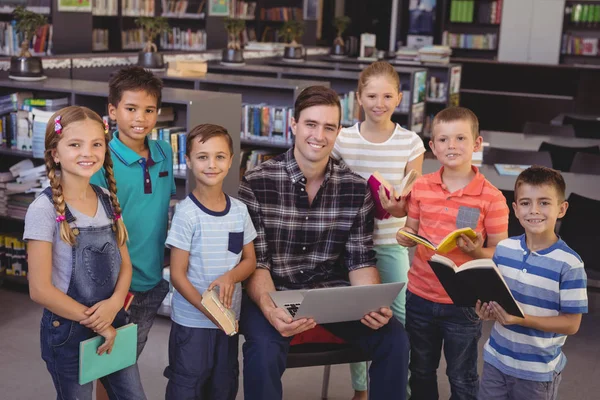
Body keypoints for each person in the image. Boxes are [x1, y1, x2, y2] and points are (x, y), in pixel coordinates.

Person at [238, 85, 410, 400]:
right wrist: (268, 306)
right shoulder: (256, 183)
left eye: (329, 127)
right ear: (293, 125)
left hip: (331, 295)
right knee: (263, 349)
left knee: (394, 338)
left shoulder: (355, 190)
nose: (319, 135)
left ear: (338, 132)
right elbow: (257, 264)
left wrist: (373, 302)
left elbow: (360, 261)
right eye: (311, 124)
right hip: (275, 294)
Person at [25, 106, 146, 400]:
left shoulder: (107, 200)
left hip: (114, 319)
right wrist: (98, 322)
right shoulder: (43, 210)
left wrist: (114, 305)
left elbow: (126, 266)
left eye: (96, 144)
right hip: (68, 331)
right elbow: (39, 290)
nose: (87, 152)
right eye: (75, 144)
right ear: (55, 152)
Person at [396, 106, 509, 400]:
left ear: (476, 144)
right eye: (443, 140)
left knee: (461, 376)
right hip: (420, 295)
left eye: (460, 138)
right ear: (433, 147)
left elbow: (501, 252)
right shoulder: (420, 186)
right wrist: (404, 237)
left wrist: (477, 251)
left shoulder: (492, 198)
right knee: (419, 370)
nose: (452, 146)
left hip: (464, 302)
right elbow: (411, 228)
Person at [332, 60, 425, 400]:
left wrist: (399, 206)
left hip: (389, 243)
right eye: (371, 95)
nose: (379, 103)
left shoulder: (411, 142)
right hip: (349, 246)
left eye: (387, 96)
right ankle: (361, 390)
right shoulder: (342, 140)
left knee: (398, 317)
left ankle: (403, 388)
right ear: (358, 98)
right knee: (359, 314)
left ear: (399, 98)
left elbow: (413, 199)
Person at [476, 166, 587, 400]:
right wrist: (487, 312)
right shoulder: (504, 249)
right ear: (515, 209)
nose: (534, 210)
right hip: (496, 359)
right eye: (526, 203)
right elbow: (497, 298)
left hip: (537, 373)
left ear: (562, 208)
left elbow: (571, 324)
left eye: (544, 203)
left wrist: (522, 320)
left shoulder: (570, 263)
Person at [163, 124, 257, 399]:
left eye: (219, 156)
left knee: (223, 384)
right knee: (187, 384)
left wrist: (230, 277)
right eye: (202, 157)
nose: (211, 164)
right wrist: (210, 311)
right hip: (193, 323)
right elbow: (178, 275)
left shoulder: (239, 211)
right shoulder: (186, 214)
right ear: (189, 161)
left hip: (228, 321)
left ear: (231, 161)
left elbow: (249, 260)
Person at [91, 66, 172, 360]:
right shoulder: (101, 160)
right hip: (117, 288)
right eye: (131, 108)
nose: (141, 118)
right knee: (109, 365)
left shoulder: (165, 151)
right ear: (112, 111)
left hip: (153, 279)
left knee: (127, 361)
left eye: (149, 110)